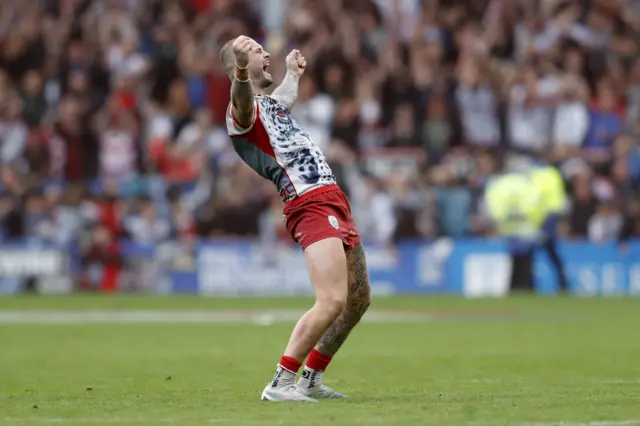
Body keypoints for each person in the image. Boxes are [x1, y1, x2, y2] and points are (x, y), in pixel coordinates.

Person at [219, 36, 371, 402]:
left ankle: (310, 379)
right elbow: (241, 102)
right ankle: (280, 382)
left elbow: (280, 101)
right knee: (332, 299)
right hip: (308, 203)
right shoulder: (240, 111)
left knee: (357, 301)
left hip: (332, 198)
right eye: (256, 51)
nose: (265, 52)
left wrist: (292, 75)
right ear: (238, 64)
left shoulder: (269, 106)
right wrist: (241, 69)